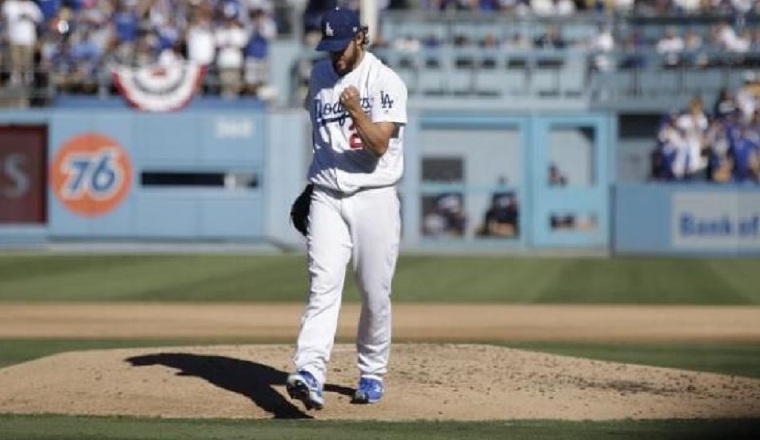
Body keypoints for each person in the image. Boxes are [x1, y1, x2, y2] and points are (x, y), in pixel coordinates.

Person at [286, 7, 408, 410]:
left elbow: (379, 146)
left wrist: (356, 110)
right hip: (326, 195)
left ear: (360, 38)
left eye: (341, 48)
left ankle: (371, 372)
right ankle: (309, 372)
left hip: (375, 195)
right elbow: (321, 133)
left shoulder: (384, 80)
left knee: (374, 292)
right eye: (329, 49)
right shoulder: (320, 75)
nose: (335, 57)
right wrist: (314, 181)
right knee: (322, 287)